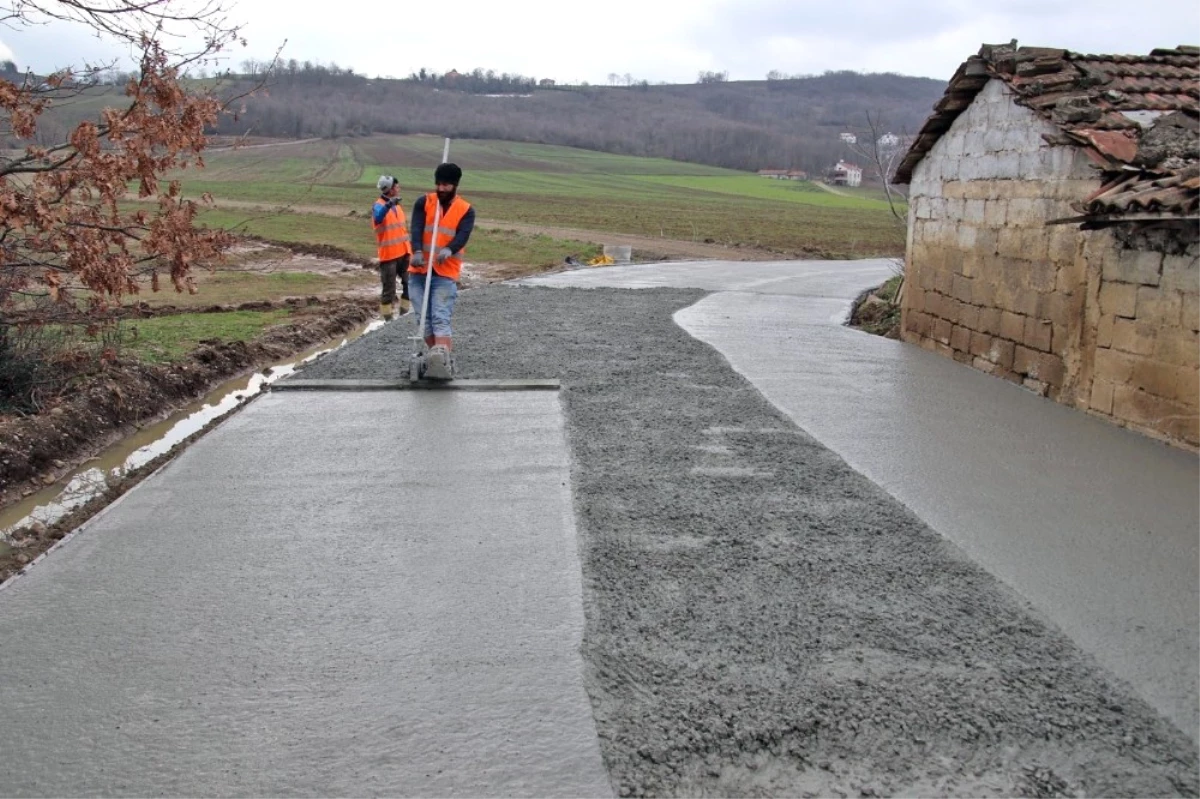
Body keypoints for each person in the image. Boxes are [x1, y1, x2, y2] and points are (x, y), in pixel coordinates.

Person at [409, 162, 474, 380]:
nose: (441, 189)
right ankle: (433, 357)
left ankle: (443, 359)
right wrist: (416, 251)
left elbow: (463, 235)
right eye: (438, 184)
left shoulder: (466, 209)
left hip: (444, 273)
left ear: (455, 185)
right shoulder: (424, 202)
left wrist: (450, 248)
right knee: (422, 319)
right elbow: (416, 227)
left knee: (440, 317)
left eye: (446, 185)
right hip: (419, 271)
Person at [372, 175, 412, 318]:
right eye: (396, 186)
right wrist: (389, 205)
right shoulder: (378, 205)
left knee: (410, 285)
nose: (398, 188)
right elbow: (378, 218)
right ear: (389, 189)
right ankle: (388, 322)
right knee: (389, 291)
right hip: (389, 256)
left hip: (404, 253)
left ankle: (403, 317)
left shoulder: (397, 206)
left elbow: (402, 229)